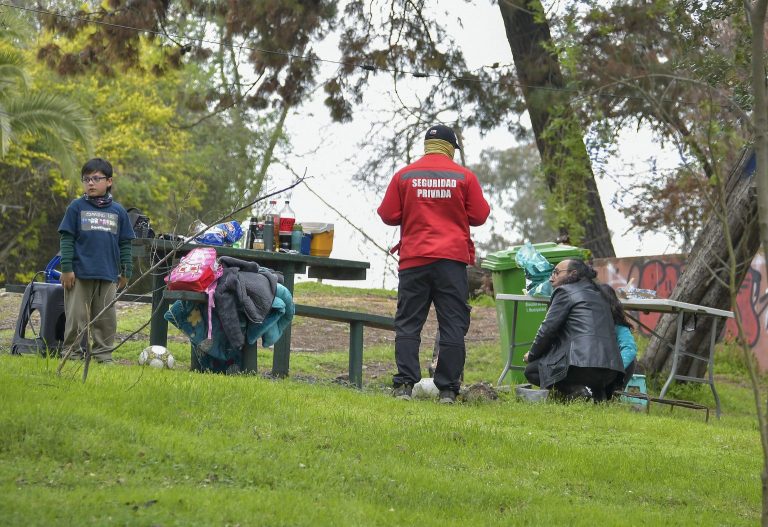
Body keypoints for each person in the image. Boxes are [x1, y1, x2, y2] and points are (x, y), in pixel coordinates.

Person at [377, 124, 490, 404]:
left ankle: (404, 385)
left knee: (408, 322)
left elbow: (388, 214)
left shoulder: (405, 175)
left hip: (414, 260)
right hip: (451, 261)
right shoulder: (464, 177)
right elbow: (480, 215)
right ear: (450, 148)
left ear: (426, 146)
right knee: (452, 323)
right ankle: (448, 390)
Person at [58, 158, 135, 363]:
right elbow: (66, 239)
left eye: (96, 178)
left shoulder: (118, 211)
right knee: (76, 319)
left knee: (106, 320)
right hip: (79, 274)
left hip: (108, 275)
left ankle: (103, 355)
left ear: (108, 181)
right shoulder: (76, 207)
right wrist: (66, 268)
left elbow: (125, 244)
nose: (90, 183)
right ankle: (71, 354)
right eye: (86, 179)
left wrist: (126, 271)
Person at [523, 259, 624, 401]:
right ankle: (597, 396)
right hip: (611, 369)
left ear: (573, 274)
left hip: (583, 366)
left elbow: (547, 330)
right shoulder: (601, 293)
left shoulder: (564, 291)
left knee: (532, 370)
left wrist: (532, 355)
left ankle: (578, 391)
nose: (552, 277)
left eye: (557, 272)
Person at [599, 283, 638, 395]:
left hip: (613, 371)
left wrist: (613, 369)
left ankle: (613, 392)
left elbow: (629, 349)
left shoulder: (618, 327)